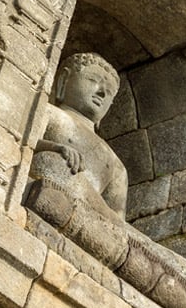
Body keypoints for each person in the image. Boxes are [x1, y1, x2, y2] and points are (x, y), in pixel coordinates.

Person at [31, 52, 128, 219]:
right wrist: (55, 147)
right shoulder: (48, 112)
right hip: (54, 184)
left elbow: (117, 218)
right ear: (64, 80)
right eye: (93, 80)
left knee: (134, 239)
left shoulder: (115, 163)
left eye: (109, 92)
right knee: (51, 162)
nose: (102, 93)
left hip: (91, 218)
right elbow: (22, 142)